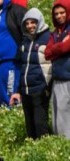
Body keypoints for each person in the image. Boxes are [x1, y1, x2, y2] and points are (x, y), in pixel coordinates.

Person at [11, 8, 53, 139]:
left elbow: (52, 66)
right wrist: (18, 90)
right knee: (30, 125)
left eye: (33, 22)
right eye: (27, 23)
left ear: (39, 21)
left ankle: (44, 151)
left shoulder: (48, 38)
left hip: (40, 89)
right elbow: (22, 66)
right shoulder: (25, 41)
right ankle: (32, 151)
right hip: (26, 89)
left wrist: (48, 87)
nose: (30, 26)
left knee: (40, 124)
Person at [45, 0, 70, 138]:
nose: (59, 16)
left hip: (68, 78)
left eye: (62, 13)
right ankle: (61, 143)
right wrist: (61, 45)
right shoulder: (55, 33)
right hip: (58, 78)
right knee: (58, 112)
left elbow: (68, 46)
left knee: (65, 112)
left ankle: (66, 143)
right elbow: (47, 53)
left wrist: (57, 48)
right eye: (56, 14)